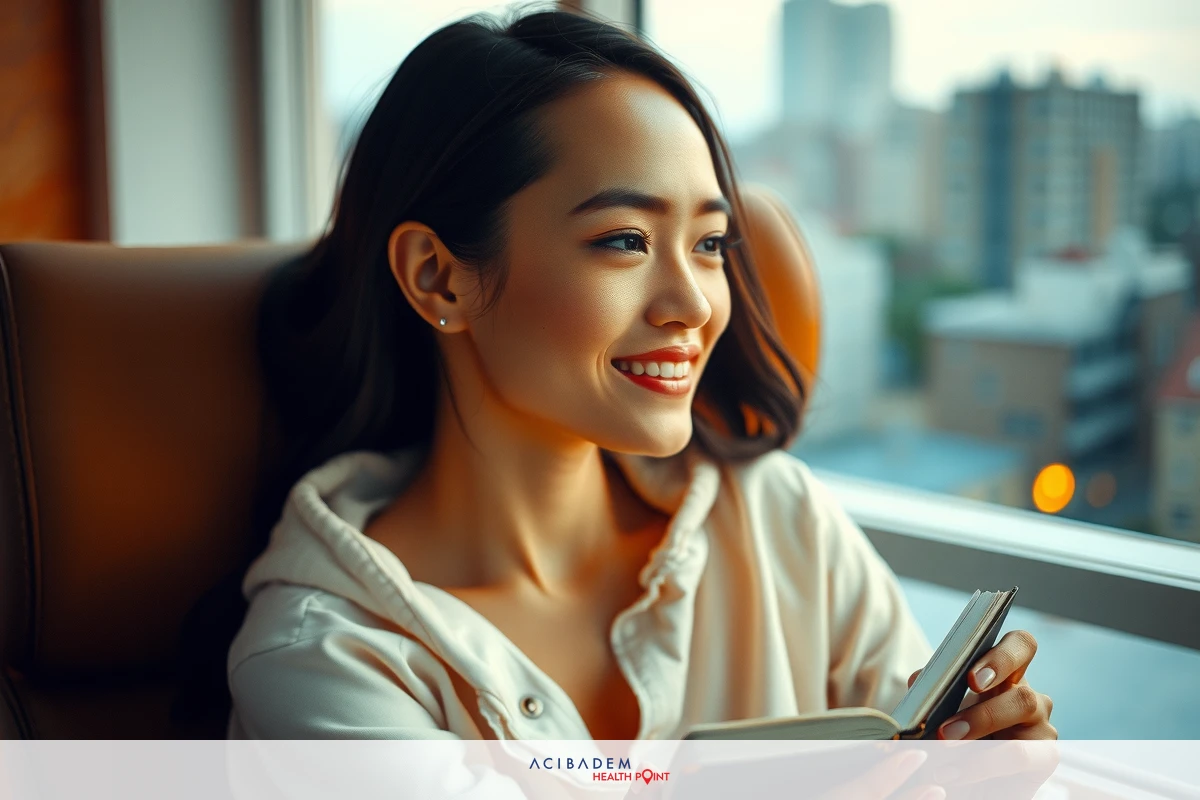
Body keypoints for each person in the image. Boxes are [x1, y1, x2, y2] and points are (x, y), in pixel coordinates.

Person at [226, 8, 1055, 747]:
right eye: (624, 240)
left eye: (708, 244)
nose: (694, 305)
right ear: (440, 277)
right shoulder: (322, 665)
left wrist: (984, 762)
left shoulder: (779, 521)